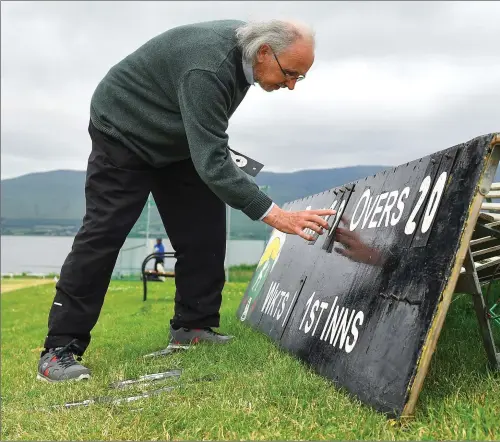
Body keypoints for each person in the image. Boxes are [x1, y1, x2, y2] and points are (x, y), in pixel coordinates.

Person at [37, 19, 335, 382]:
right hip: (123, 132)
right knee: (102, 237)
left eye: (299, 78)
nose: (291, 85)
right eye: (290, 74)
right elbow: (213, 163)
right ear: (263, 52)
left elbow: (208, 145)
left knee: (204, 233)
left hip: (177, 142)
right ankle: (59, 350)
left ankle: (193, 328)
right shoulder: (208, 67)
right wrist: (276, 215)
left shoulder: (247, 56)